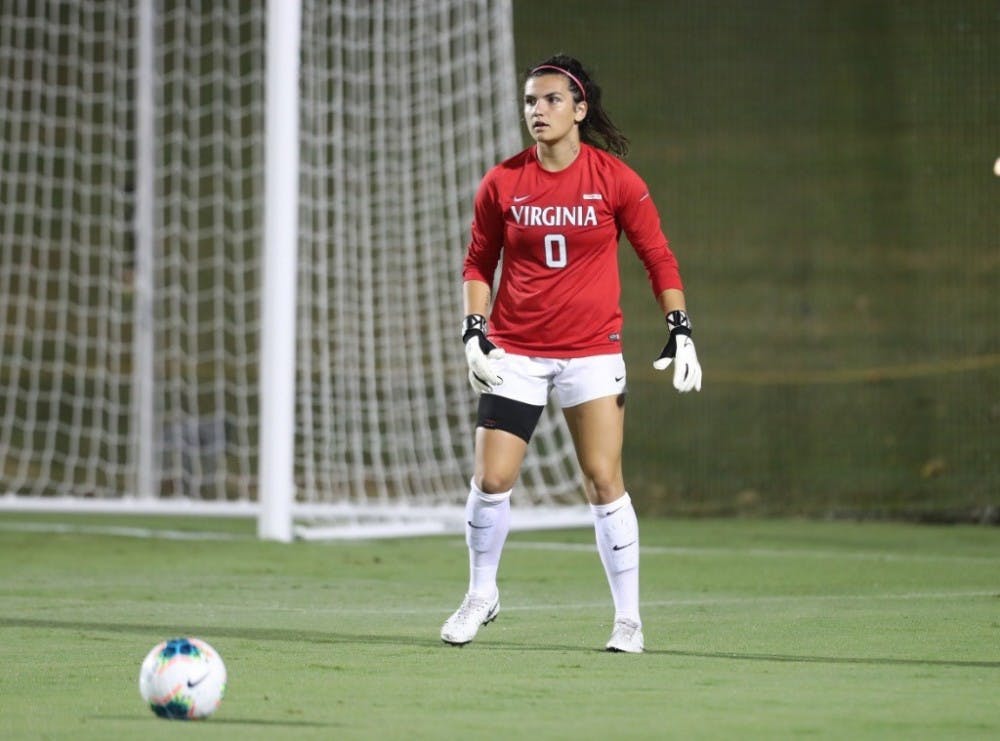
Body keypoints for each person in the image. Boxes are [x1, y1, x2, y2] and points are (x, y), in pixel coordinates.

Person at [440, 54, 702, 653]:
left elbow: (657, 255)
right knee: (491, 478)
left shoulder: (616, 180)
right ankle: (481, 594)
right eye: (530, 100)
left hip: (591, 352)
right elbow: (478, 261)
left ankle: (628, 619)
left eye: (552, 99)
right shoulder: (503, 181)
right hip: (516, 350)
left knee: (603, 480)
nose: (538, 110)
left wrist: (679, 326)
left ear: (580, 110)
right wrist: (473, 331)